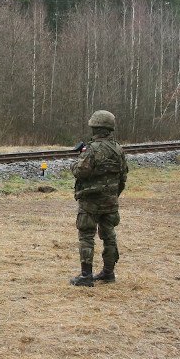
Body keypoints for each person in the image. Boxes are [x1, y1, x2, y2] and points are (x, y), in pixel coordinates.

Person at [69, 110, 129, 286]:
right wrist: (113, 195)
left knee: (86, 236)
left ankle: (86, 276)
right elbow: (123, 177)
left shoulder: (92, 150)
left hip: (91, 201)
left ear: (95, 128)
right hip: (110, 202)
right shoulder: (118, 149)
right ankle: (108, 273)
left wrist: (75, 162)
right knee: (109, 236)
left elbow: (80, 171)